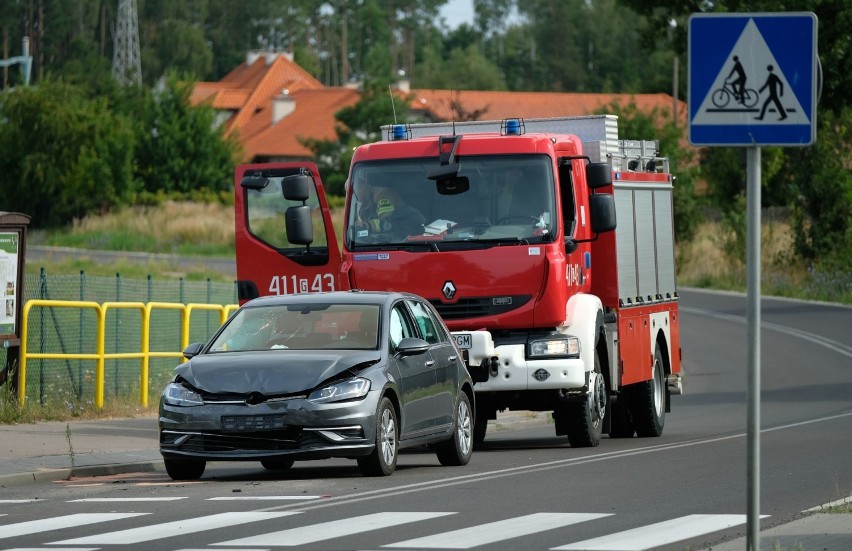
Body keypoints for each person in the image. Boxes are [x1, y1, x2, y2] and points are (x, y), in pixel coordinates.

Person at [353, 173, 425, 239]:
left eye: (356, 192)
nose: (358, 198)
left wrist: (366, 226)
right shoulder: (367, 201)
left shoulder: (383, 194)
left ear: (362, 186)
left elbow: (386, 222)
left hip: (400, 237)